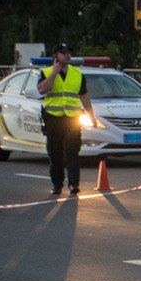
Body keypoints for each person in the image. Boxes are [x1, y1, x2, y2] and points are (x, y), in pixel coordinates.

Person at [35, 42, 95, 196]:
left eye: (69, 52)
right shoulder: (46, 72)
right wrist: (54, 73)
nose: (67, 54)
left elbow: (84, 96)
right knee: (55, 154)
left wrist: (92, 116)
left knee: (72, 152)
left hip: (72, 119)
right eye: (63, 52)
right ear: (55, 57)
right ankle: (57, 185)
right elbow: (42, 90)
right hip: (53, 119)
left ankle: (74, 184)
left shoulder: (77, 74)